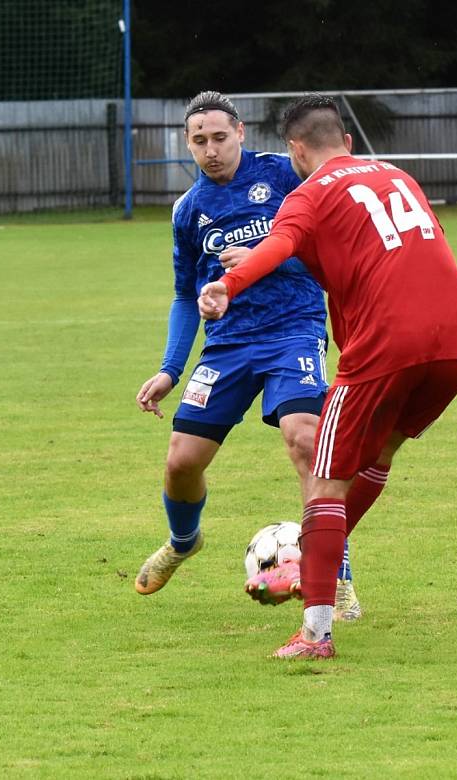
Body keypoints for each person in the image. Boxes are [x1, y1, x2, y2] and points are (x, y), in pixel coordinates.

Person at [199, 94, 457, 659]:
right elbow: (425, 249)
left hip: (387, 344)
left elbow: (279, 243)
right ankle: (317, 558)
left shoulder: (307, 194)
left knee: (327, 478)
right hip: (453, 336)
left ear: (296, 149)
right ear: (349, 142)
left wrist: (227, 287)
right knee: (380, 453)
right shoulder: (396, 176)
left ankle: (316, 632)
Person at [134, 91, 363, 620]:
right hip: (229, 345)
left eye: (219, 137)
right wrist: (170, 369)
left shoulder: (287, 175)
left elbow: (329, 250)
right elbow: (183, 295)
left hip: (294, 330)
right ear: (187, 145)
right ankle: (185, 540)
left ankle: (339, 576)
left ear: (240, 132)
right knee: (180, 462)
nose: (211, 149)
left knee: (306, 441)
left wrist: (265, 260)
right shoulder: (188, 210)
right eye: (199, 141)